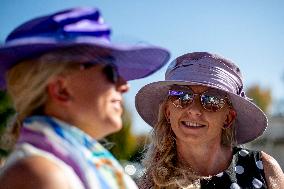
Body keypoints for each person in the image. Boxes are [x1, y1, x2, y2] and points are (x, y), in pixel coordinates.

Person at [0, 7, 170, 189]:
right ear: (61, 89)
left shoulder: (66, 164)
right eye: (111, 71)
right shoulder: (40, 174)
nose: (124, 85)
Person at [135, 52, 284, 189]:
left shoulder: (263, 168)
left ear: (228, 118)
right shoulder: (152, 183)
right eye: (181, 96)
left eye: (212, 99)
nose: (193, 110)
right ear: (168, 112)